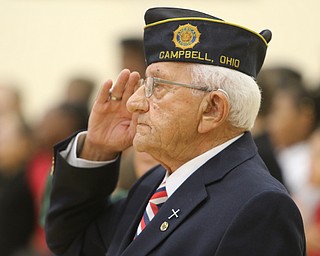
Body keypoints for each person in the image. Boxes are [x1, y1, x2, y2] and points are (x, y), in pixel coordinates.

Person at [45, 7, 306, 256]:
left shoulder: (260, 207)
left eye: (157, 87)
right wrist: (97, 150)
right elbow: (74, 243)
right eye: (145, 84)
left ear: (212, 109)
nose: (134, 103)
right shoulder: (156, 181)